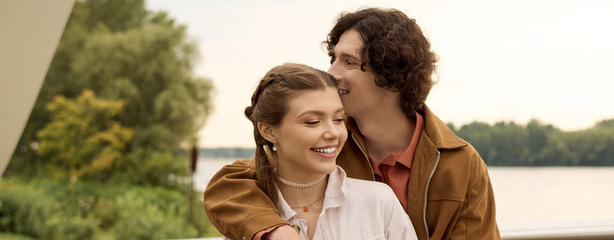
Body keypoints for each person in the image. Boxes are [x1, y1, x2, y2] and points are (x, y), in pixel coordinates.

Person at [205, 8, 501, 240]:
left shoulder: (460, 164)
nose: (330, 73)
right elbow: (228, 185)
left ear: (391, 73)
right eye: (333, 58)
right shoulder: (326, 143)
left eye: (348, 62)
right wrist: (274, 230)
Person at [231, 63, 417, 240]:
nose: (333, 133)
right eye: (312, 121)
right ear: (268, 131)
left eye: (338, 119)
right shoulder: (245, 217)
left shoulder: (379, 202)